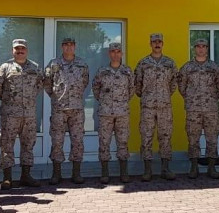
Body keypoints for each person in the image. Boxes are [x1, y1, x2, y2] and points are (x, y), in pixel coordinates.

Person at [0, 38, 44, 189]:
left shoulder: (34, 67)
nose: (20, 51)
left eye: (22, 49)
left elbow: (39, 86)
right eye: (17, 49)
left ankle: (26, 176)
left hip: (29, 114)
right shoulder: (5, 67)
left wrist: (28, 99)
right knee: (7, 145)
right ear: (12, 51)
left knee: (28, 145)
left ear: (26, 50)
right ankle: (7, 178)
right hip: (10, 114)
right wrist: (9, 100)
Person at [44, 36, 89, 185]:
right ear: (62, 47)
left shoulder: (82, 64)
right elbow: (47, 85)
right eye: (66, 45)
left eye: (71, 45)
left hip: (77, 109)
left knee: (77, 141)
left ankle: (76, 173)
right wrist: (57, 98)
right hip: (59, 109)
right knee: (57, 141)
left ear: (75, 47)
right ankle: (56, 173)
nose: (69, 47)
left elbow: (85, 83)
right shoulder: (54, 64)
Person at [177, 38, 219, 179]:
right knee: (193, 138)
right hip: (193, 109)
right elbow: (181, 87)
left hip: (211, 108)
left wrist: (211, 98)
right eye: (198, 46)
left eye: (204, 46)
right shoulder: (187, 67)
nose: (201, 49)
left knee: (212, 138)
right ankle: (194, 167)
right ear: (194, 48)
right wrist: (191, 98)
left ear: (207, 48)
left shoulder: (214, 67)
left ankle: (211, 167)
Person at [134, 33, 178, 181]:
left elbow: (173, 84)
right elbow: (137, 85)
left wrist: (163, 96)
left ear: (163, 43)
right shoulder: (143, 63)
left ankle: (165, 168)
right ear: (150, 43)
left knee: (165, 137)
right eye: (154, 42)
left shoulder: (170, 63)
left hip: (165, 106)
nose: (157, 44)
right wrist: (148, 97)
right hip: (148, 106)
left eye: (159, 41)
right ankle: (147, 170)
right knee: (146, 137)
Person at [92, 42, 135, 183]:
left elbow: (131, 90)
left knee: (123, 142)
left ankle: (124, 172)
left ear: (121, 53)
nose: (115, 54)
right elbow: (96, 89)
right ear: (109, 54)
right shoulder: (102, 71)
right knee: (104, 142)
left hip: (122, 113)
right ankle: (105, 172)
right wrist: (106, 102)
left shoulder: (127, 71)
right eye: (113, 51)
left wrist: (120, 102)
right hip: (105, 113)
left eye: (118, 51)